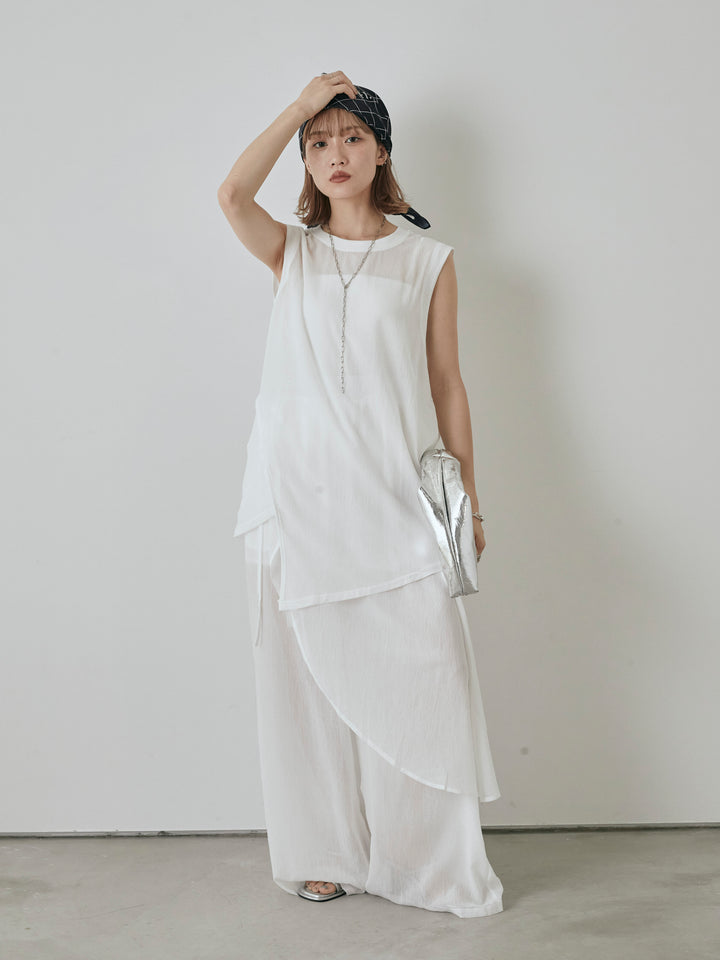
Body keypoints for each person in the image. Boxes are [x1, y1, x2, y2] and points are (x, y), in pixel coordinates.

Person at [217, 71, 504, 918]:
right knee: (304, 691)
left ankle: (427, 864)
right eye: (318, 143)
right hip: (294, 500)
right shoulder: (292, 252)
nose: (333, 154)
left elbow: (447, 384)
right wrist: (298, 106)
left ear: (382, 153)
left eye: (351, 137)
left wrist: (467, 499)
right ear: (305, 160)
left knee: (426, 676)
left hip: (393, 498)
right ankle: (324, 854)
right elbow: (231, 195)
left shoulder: (427, 260)